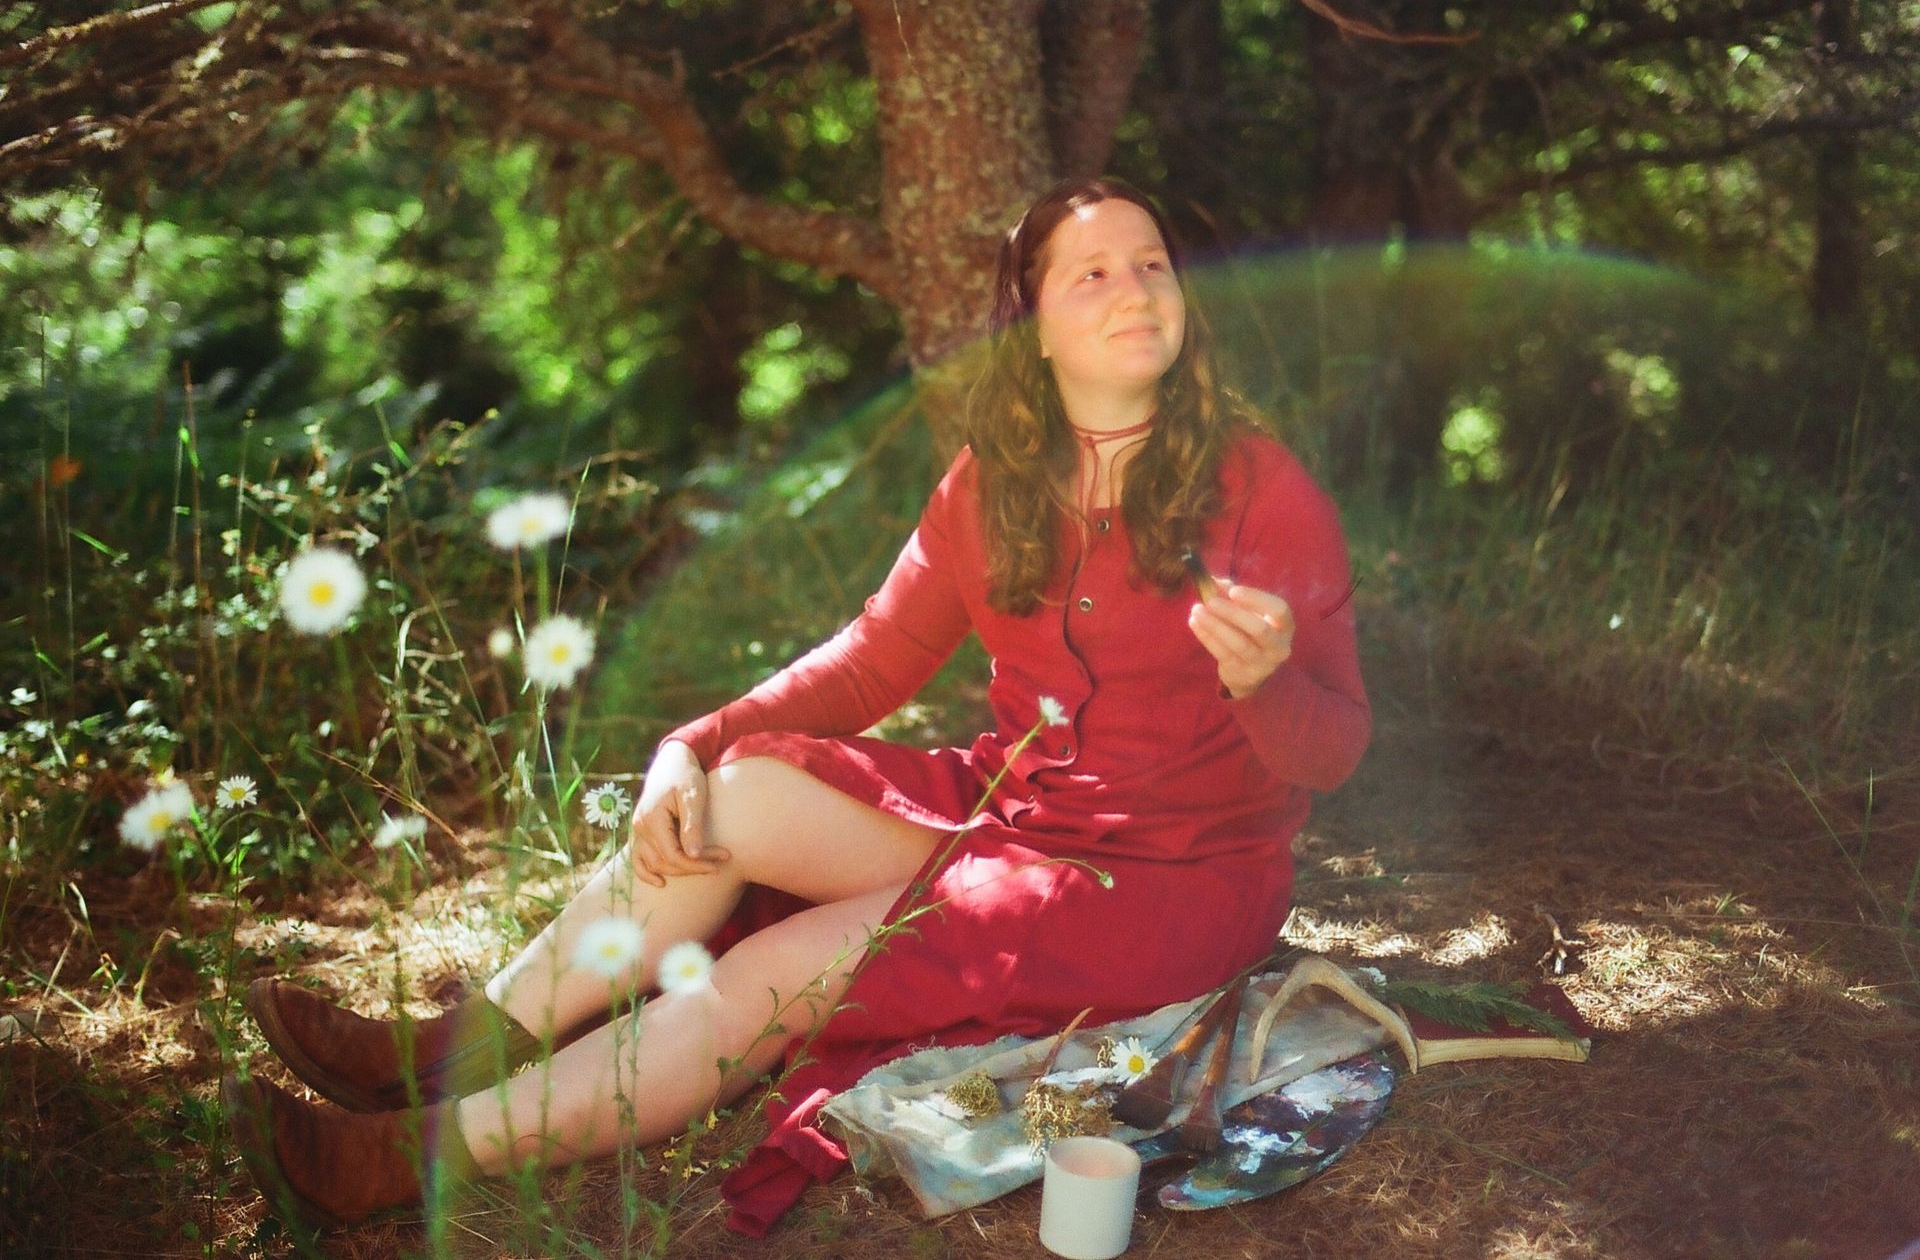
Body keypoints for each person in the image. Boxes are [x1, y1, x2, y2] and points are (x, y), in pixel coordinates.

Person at [221, 177, 1371, 1236]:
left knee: (768, 974)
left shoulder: (1264, 490)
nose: (1135, 290)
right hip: (1016, 816)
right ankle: (453, 1048)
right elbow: (871, 661)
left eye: (1154, 264)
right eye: (1095, 272)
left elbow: (1337, 748)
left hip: (1169, 881)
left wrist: (1265, 683)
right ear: (1033, 324)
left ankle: (406, 1154)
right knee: (734, 802)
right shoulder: (994, 481)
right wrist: (688, 745)